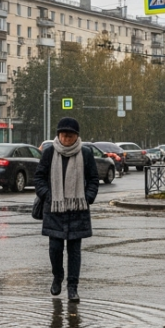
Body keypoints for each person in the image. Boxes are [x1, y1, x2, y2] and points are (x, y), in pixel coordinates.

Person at [33, 117, 101, 302]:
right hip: (54, 209)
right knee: (55, 249)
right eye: (64, 136)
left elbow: (93, 179)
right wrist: (48, 196)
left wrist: (87, 197)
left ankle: (72, 288)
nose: (67, 139)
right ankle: (57, 276)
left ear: (76, 136)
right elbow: (39, 178)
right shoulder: (49, 152)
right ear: (58, 135)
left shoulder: (85, 153)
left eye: (70, 136)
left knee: (74, 251)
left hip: (77, 210)